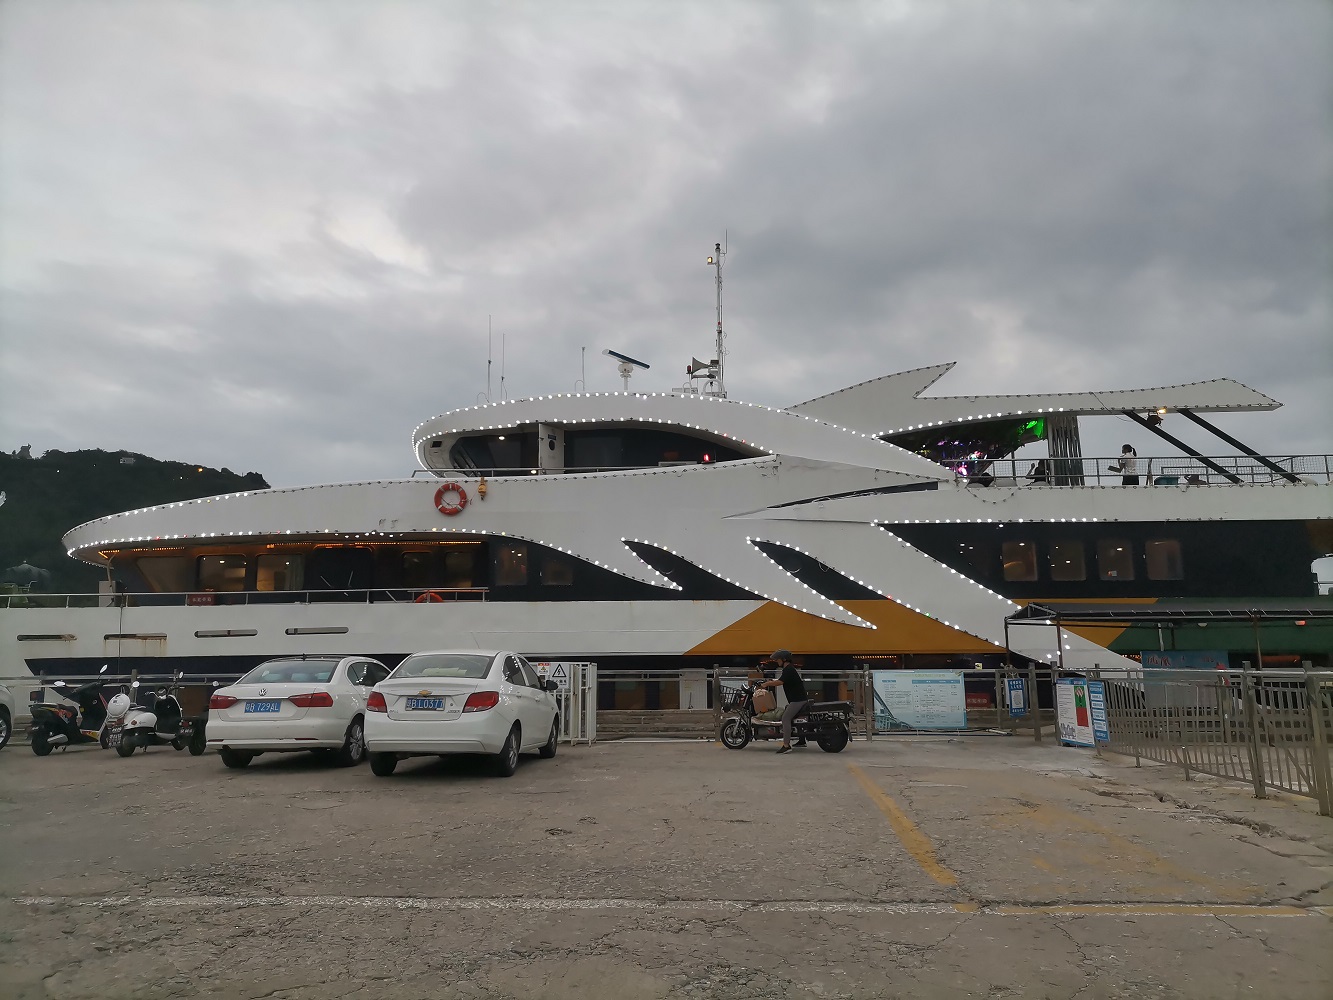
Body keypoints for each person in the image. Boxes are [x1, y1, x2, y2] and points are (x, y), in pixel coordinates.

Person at [758, 649, 810, 753]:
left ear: (784, 659)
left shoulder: (789, 669)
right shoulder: (788, 669)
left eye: (778, 659)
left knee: (785, 718)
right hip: (798, 699)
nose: (777, 661)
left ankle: (786, 745)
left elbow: (780, 682)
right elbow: (781, 680)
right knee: (793, 716)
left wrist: (766, 684)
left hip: (797, 700)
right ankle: (802, 740)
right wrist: (770, 681)